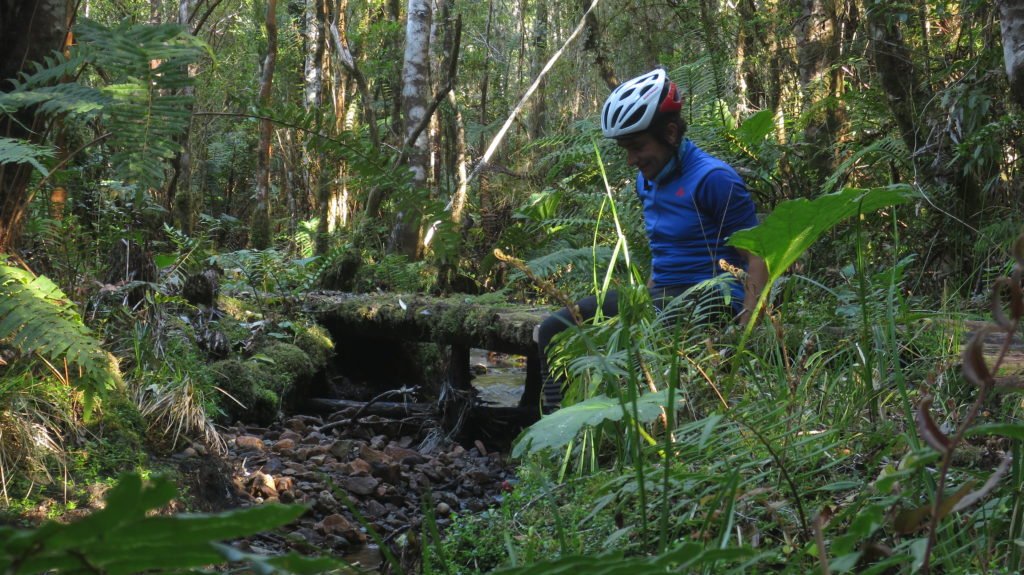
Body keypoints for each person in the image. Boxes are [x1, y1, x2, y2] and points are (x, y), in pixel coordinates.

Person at [535, 68, 769, 409]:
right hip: (660, 299)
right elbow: (663, 253)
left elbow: (756, 258)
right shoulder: (648, 181)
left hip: (709, 302)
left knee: (638, 346)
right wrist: (642, 299)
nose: (631, 160)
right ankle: (553, 431)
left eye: (637, 147)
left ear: (671, 133)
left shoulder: (714, 179)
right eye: (625, 150)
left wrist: (743, 335)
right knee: (553, 328)